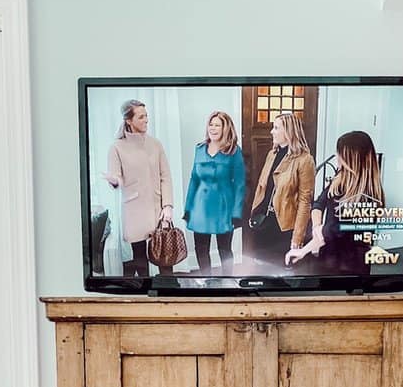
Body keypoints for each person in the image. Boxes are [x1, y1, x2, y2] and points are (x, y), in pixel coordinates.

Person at [285, 130, 384, 275]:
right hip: (330, 258)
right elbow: (319, 204)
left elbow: (332, 232)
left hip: (349, 266)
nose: (336, 157)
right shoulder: (339, 178)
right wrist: (317, 227)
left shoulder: (367, 196)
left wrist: (303, 251)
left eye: (340, 153)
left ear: (352, 158)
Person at [105, 99, 174, 277]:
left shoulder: (155, 144)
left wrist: (168, 206)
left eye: (146, 116)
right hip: (134, 210)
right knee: (140, 259)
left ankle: (168, 295)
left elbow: (165, 176)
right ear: (129, 120)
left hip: (157, 208)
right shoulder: (116, 147)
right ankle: (146, 297)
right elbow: (115, 177)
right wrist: (114, 181)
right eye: (141, 117)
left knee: (164, 257)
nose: (146, 120)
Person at [249, 112, 315, 270]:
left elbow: (305, 202)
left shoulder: (305, 160)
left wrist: (298, 237)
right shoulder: (272, 154)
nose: (272, 131)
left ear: (289, 132)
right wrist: (254, 212)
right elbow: (262, 187)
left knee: (280, 274)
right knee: (261, 270)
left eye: (276, 128)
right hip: (264, 222)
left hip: (284, 227)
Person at [183, 111, 245, 274]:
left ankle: (227, 283)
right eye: (211, 124)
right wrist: (188, 208)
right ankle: (206, 282)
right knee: (201, 248)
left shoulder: (234, 151)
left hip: (224, 207)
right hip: (200, 206)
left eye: (217, 124)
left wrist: (237, 213)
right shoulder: (199, 148)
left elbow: (240, 184)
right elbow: (193, 180)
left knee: (224, 249)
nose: (213, 128)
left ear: (226, 128)